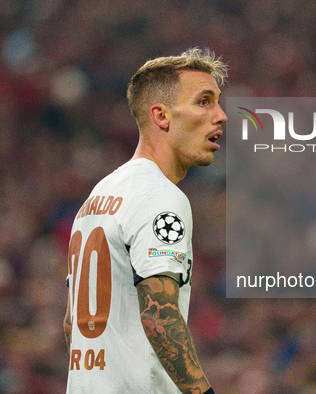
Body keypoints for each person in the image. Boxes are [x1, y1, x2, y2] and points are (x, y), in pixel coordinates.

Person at [63, 48, 227, 393]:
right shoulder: (160, 197)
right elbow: (158, 315)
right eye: (204, 102)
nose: (221, 115)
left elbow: (70, 325)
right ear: (162, 116)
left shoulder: (97, 198)